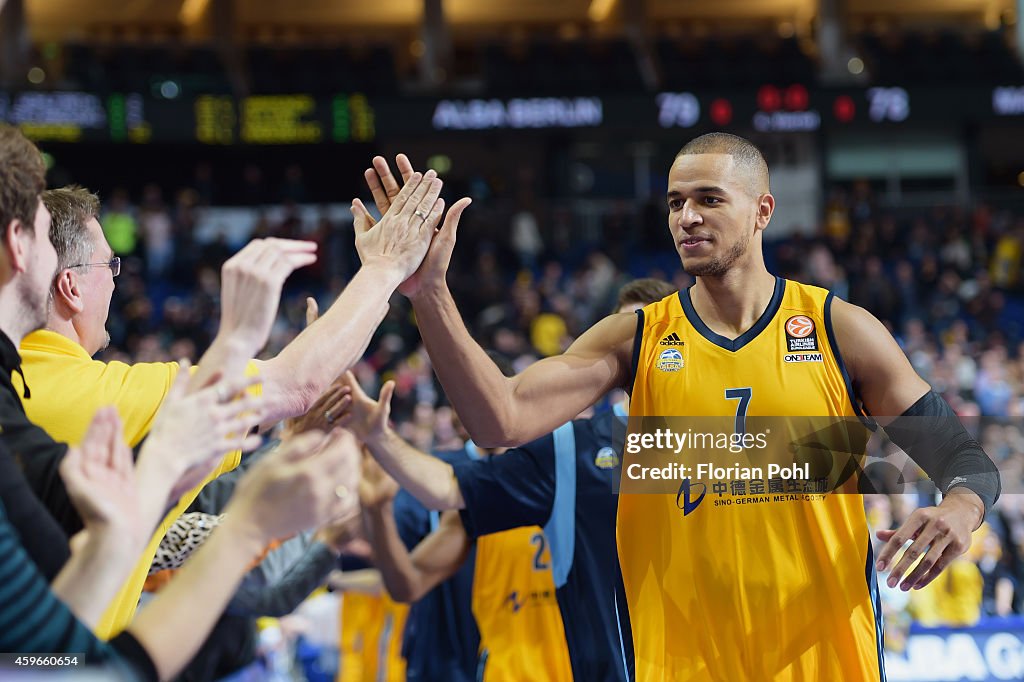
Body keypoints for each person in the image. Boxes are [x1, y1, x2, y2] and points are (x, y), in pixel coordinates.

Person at [354, 141, 1000, 680]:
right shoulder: (636, 338)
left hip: (825, 660)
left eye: (709, 199)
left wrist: (957, 509)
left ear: (762, 211)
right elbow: (501, 419)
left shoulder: (837, 328)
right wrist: (429, 293)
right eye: (675, 202)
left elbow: (964, 462)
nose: (686, 216)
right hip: (681, 663)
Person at [6, 169, 453, 638]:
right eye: (109, 266)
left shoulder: (16, 386)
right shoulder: (105, 397)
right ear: (71, 287)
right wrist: (386, 267)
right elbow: (297, 382)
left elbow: (124, 542)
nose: (116, 283)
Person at [344, 279, 675, 682]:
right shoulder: (562, 457)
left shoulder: (720, 442)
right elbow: (409, 580)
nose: (628, 349)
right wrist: (379, 469)